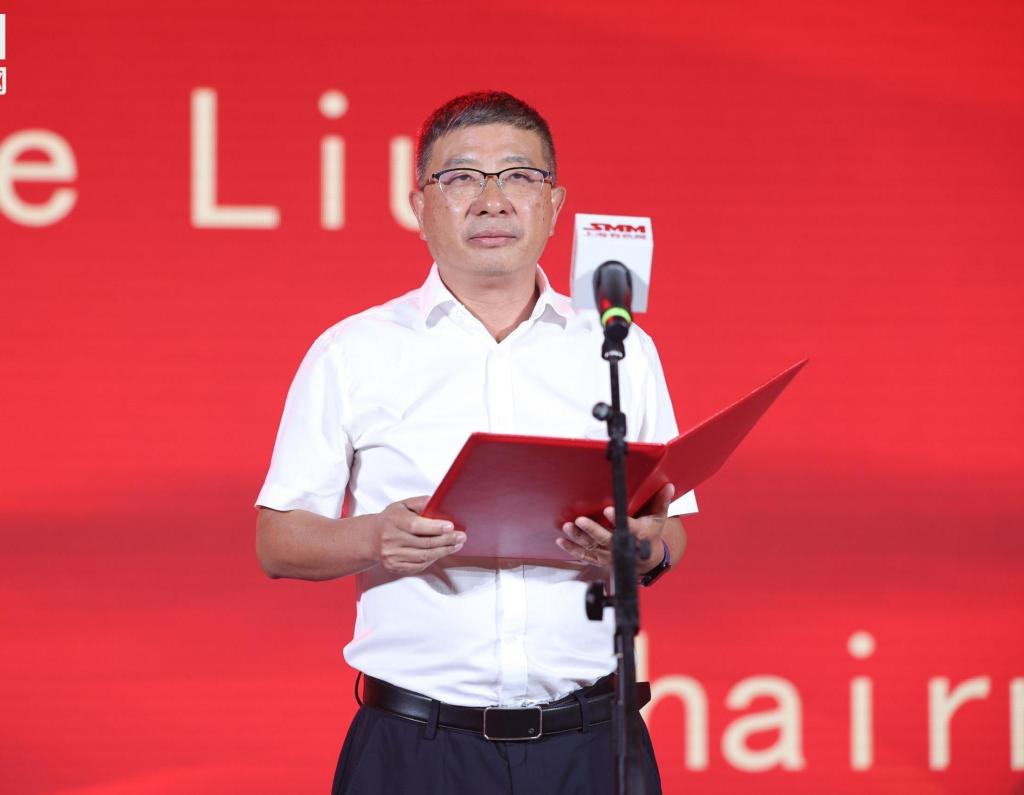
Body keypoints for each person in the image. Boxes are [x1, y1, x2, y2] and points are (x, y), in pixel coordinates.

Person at [255, 91, 697, 795]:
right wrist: (374, 537)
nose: (492, 201)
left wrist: (641, 548)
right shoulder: (353, 352)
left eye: (519, 176)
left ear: (554, 204)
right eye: (461, 177)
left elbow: (671, 529)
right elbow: (278, 541)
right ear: (418, 205)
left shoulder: (619, 347)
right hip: (414, 748)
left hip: (592, 742)